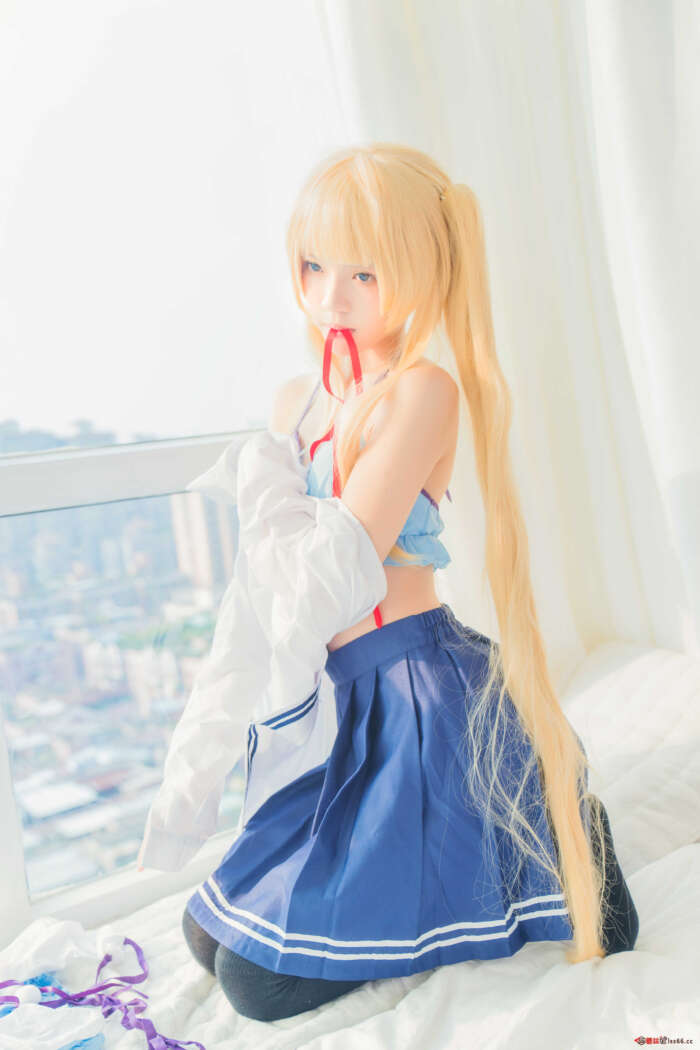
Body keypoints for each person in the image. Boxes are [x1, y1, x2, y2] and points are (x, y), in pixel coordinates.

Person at [175, 144, 638, 1021]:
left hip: (418, 692)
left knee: (255, 984)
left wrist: (263, 490)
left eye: (365, 273)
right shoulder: (296, 399)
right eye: (314, 266)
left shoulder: (423, 391)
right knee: (207, 937)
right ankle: (535, 806)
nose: (332, 296)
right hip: (336, 694)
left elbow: (337, 563)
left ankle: (563, 818)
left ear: (422, 272)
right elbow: (276, 582)